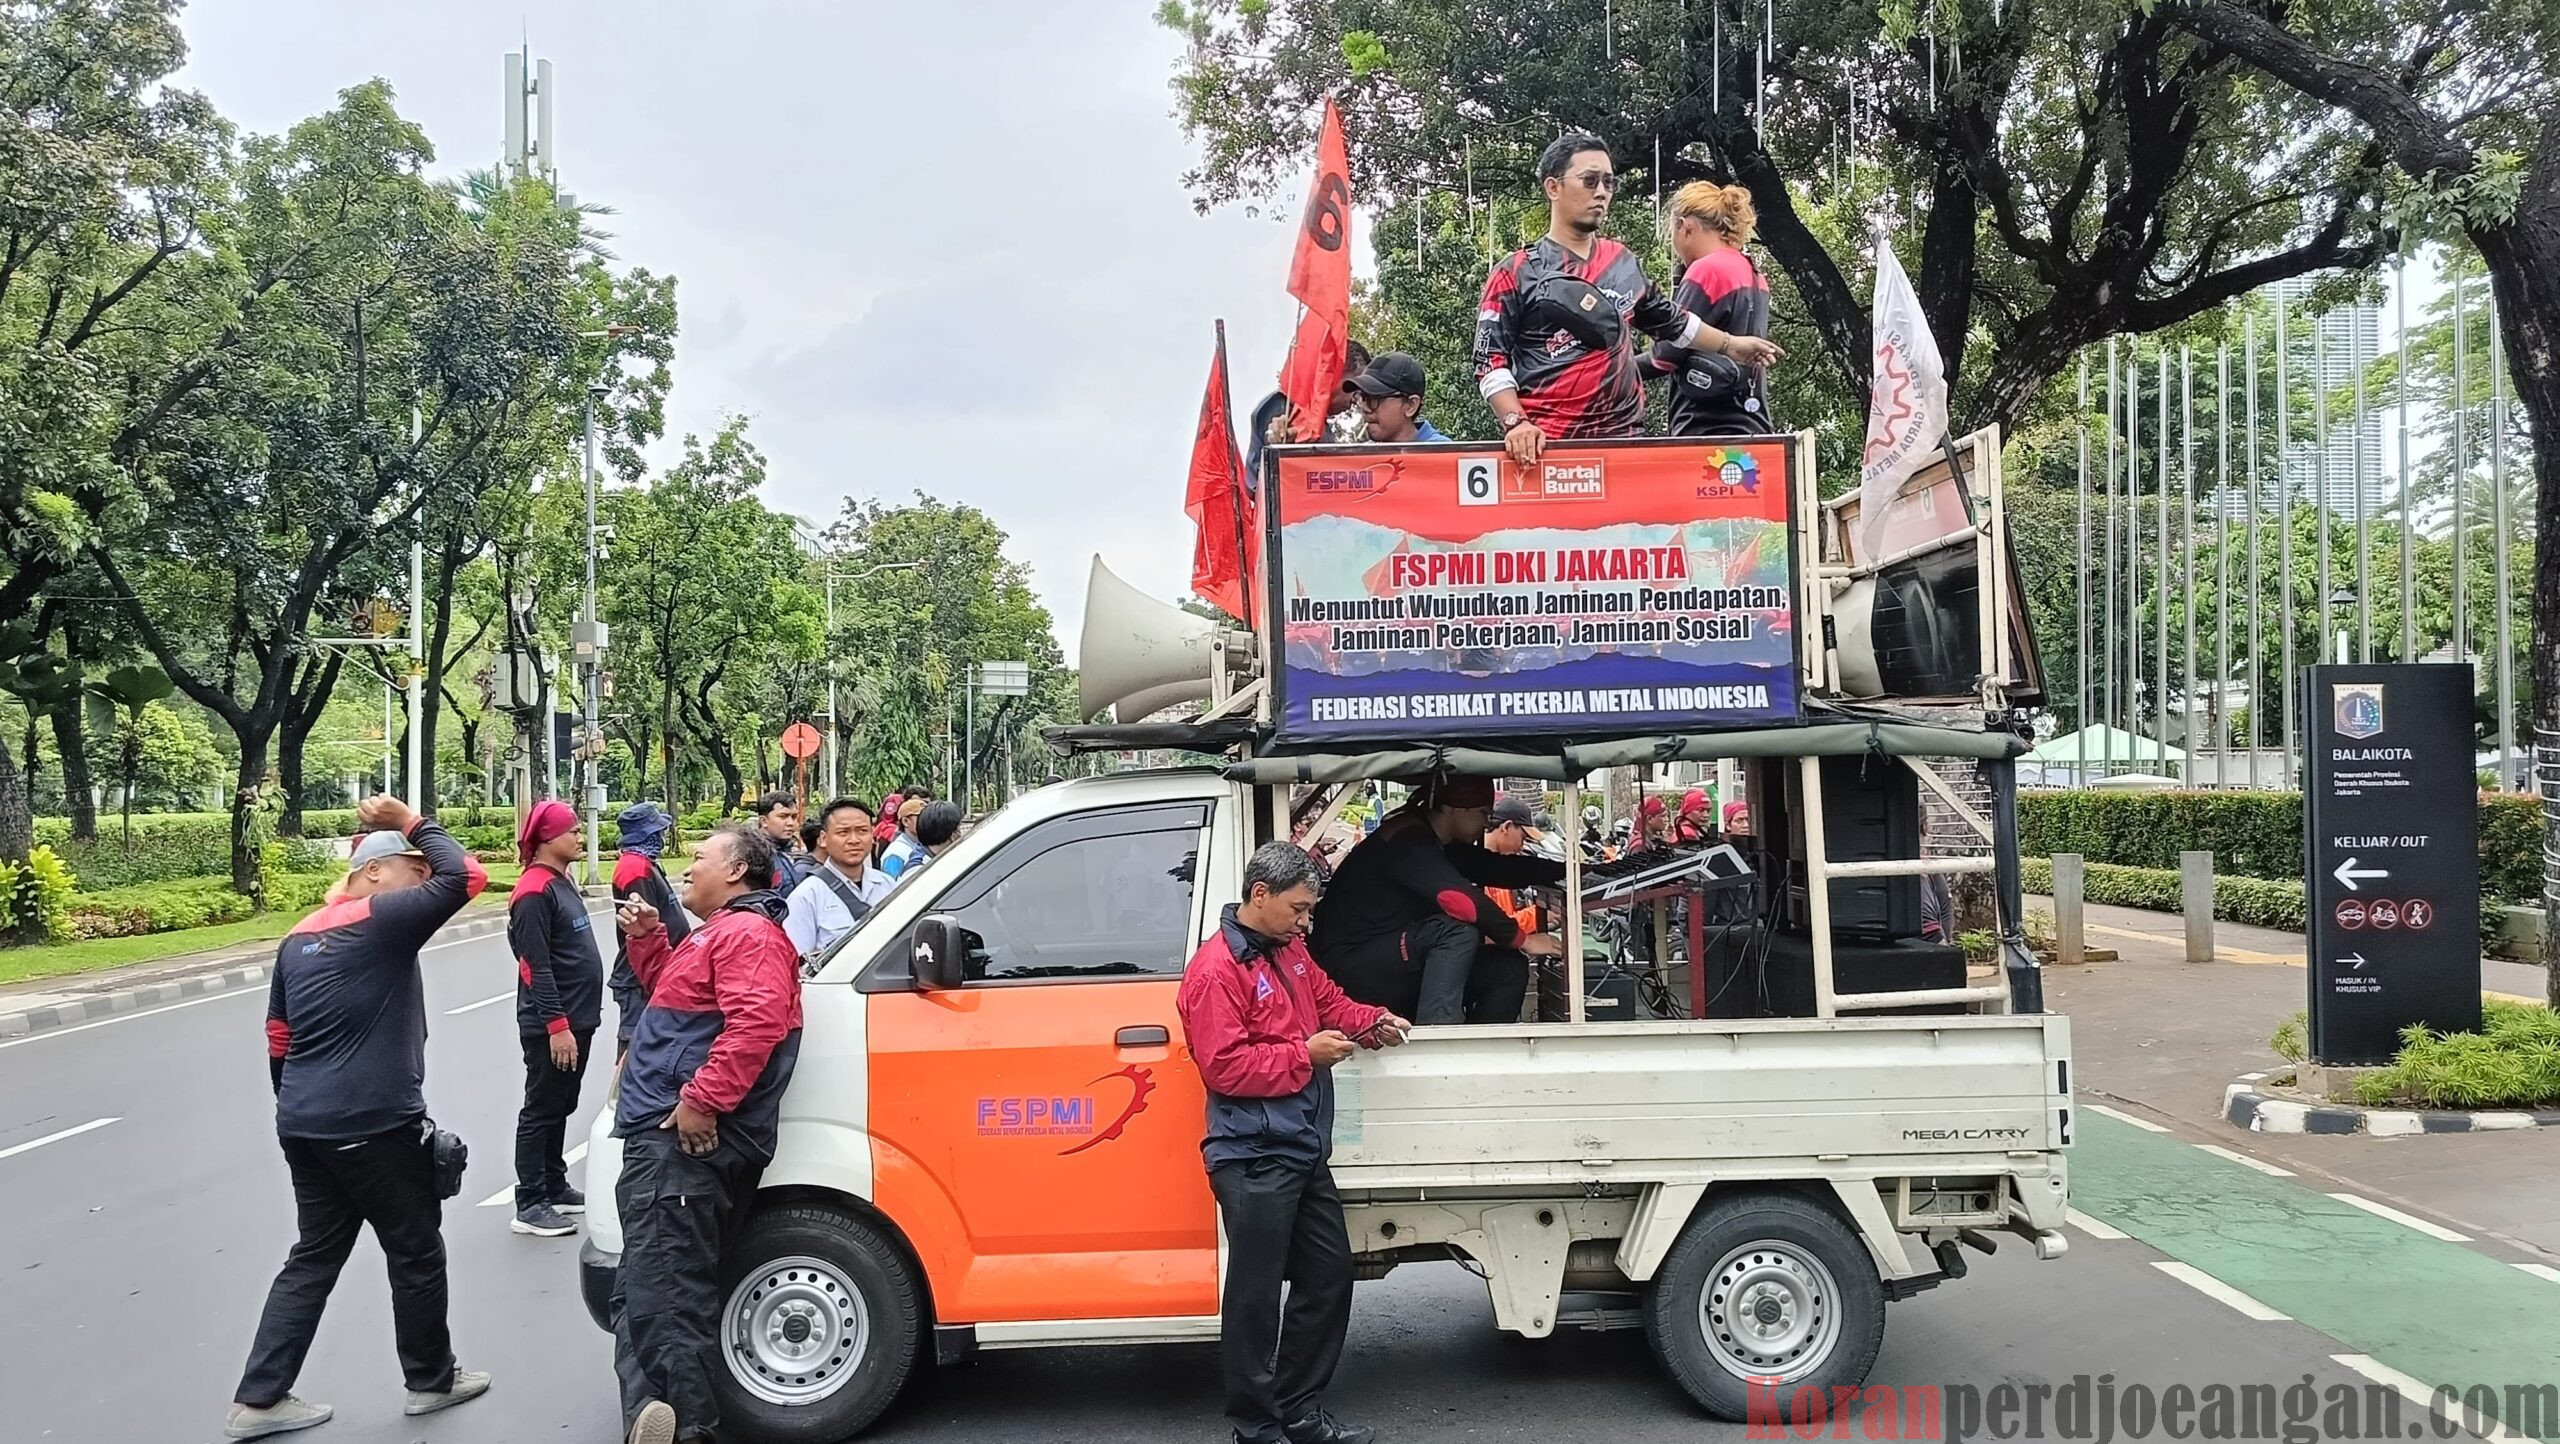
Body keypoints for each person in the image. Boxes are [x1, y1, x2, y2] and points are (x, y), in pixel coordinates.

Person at [229, 795, 491, 1440]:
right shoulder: (380, 920)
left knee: (313, 1256)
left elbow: (278, 1038)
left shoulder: (298, 937)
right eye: (413, 870)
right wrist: (408, 820)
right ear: (373, 872)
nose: (424, 884)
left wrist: (299, 1106)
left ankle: (258, 1399)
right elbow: (468, 877)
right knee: (415, 1251)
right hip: (376, 1124)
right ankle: (431, 1380)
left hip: (305, 1124)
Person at [1177, 842, 1407, 1444]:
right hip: (1251, 1153)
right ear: (1260, 895)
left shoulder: (1290, 951)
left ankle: (1298, 1411)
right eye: (1299, 909)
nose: (1307, 922)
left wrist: (1369, 1020)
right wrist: (1304, 1055)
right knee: (1255, 1298)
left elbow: (1329, 1001)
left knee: (1329, 1276)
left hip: (1299, 1145)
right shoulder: (1215, 970)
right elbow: (1223, 1068)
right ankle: (1255, 1428)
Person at [609, 825, 804, 1444]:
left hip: (680, 1138)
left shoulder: (746, 933)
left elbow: (755, 1022)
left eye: (699, 857)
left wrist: (702, 1100)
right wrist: (647, 942)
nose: (686, 868)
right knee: (643, 1290)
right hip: (660, 1132)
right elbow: (680, 999)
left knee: (666, 1292)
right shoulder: (721, 934)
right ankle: (650, 1418)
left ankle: (687, 1428)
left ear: (739, 869)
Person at [1475, 133, 1783, 465]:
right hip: (1548, 452)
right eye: (1589, 180)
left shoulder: (1621, 261)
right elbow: (1488, 359)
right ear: (1553, 187)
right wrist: (1515, 422)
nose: (1601, 192)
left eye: (1609, 182)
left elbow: (1671, 321)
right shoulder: (1516, 271)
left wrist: (1730, 345)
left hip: (1626, 449)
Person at [1311, 773, 1565, 1026]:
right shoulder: (1407, 841)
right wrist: (1524, 939)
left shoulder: (1432, 840)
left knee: (1507, 968)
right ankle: (1439, 1036)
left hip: (1385, 960)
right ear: (1455, 808)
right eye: (1483, 813)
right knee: (1456, 931)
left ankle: (1481, 1052)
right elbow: (1460, 901)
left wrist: (1570, 870)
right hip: (1349, 968)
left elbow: (1493, 867)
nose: (1486, 824)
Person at [509, 799, 603, 1238]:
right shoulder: (533, 891)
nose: (579, 838)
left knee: (561, 1104)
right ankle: (530, 1201)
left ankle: (554, 1182)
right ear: (548, 839)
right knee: (541, 1108)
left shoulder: (560, 881)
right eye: (572, 832)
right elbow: (535, 965)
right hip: (553, 1025)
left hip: (577, 1018)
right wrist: (556, 1026)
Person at [1646, 181, 1778, 436]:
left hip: (1705, 429)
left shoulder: (1708, 269)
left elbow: (1665, 355)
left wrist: (1612, 370)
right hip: (1752, 425)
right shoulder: (1752, 272)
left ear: (1686, 227)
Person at [609, 803, 692, 1061]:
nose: (663, 837)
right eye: (658, 831)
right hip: (639, 975)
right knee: (635, 1043)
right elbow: (643, 926)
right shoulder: (635, 869)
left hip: (654, 967)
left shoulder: (645, 863)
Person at [783, 797, 890, 960]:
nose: (854, 840)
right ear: (824, 839)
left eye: (862, 831)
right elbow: (797, 965)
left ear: (872, 834)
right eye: (843, 832)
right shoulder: (806, 897)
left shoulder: (888, 886)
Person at [1344, 352, 1448, 444]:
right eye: (1363, 397)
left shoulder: (1445, 457)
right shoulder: (1363, 458)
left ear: (1411, 405)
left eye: (1375, 399)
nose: (1365, 408)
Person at [751, 792, 810, 893]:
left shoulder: (784, 852)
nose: (791, 823)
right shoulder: (753, 855)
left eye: (794, 817)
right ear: (764, 821)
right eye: (783, 816)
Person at [881, 795, 930, 878]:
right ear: (906, 821)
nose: (926, 821)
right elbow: (894, 887)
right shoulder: (896, 853)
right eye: (921, 817)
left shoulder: (920, 845)